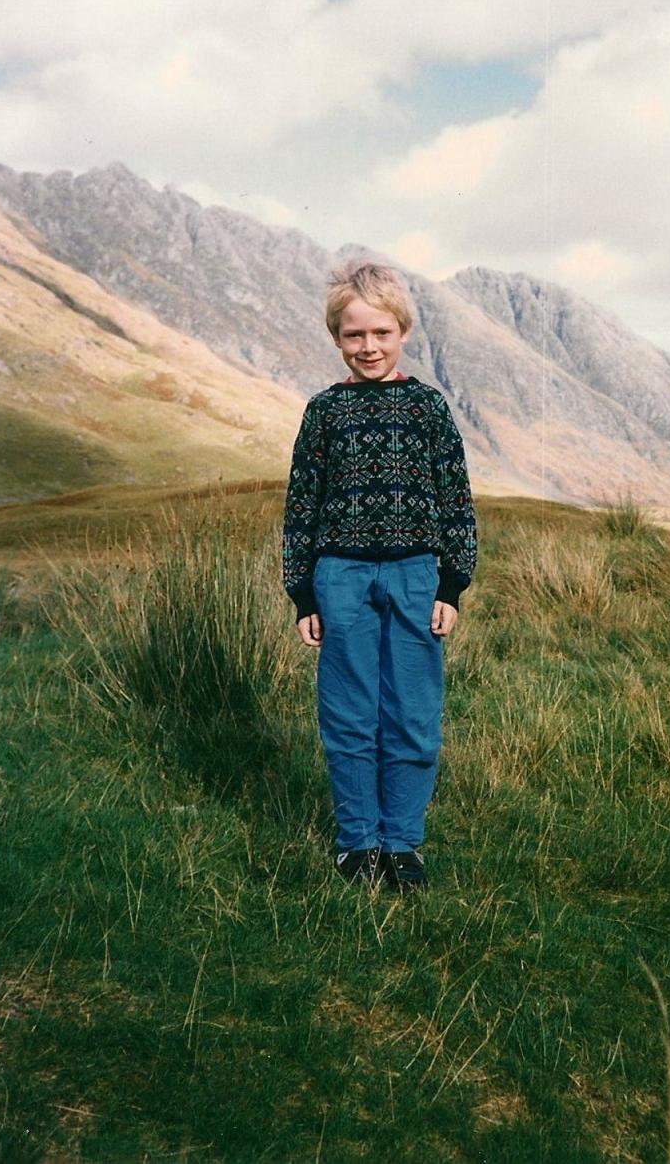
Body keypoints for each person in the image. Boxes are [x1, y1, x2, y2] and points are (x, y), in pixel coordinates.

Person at [282, 261, 477, 892]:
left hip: (417, 576)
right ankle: (357, 843)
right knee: (348, 714)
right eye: (354, 335)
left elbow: (456, 498)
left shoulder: (427, 408)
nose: (368, 347)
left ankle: (403, 844)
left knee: (413, 714)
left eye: (381, 333)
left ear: (403, 332)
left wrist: (451, 584)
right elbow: (301, 503)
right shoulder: (324, 412)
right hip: (339, 578)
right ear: (336, 337)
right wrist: (302, 590)